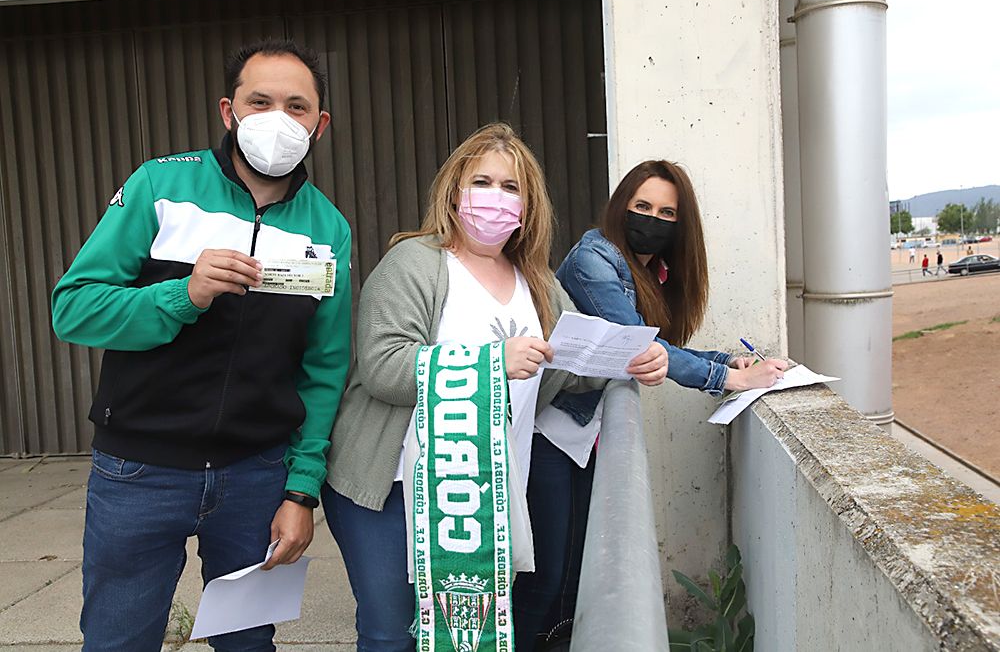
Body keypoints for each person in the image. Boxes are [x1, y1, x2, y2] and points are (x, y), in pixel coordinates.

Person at [50, 39, 352, 652]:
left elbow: (324, 368)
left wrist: (301, 489)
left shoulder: (329, 228)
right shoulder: (160, 186)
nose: (276, 119)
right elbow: (73, 308)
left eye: (296, 107)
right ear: (228, 111)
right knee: (116, 641)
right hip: (140, 472)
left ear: (319, 125)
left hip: (256, 477)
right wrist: (180, 295)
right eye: (259, 101)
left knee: (247, 644)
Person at [322, 123, 668, 651]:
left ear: (528, 207)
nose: (495, 198)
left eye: (511, 188)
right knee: (392, 635)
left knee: (462, 637)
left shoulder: (539, 282)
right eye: (481, 181)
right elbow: (385, 367)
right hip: (390, 490)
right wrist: (491, 362)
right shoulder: (415, 263)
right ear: (453, 190)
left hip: (477, 500)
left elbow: (569, 364)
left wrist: (634, 359)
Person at [515, 160, 787, 649]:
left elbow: (663, 345)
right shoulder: (594, 259)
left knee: (572, 577)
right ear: (621, 205)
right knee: (547, 579)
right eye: (642, 206)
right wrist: (728, 377)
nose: (652, 219)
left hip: (584, 435)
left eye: (666, 212)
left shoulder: (650, 270)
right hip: (550, 430)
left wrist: (733, 360)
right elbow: (641, 348)